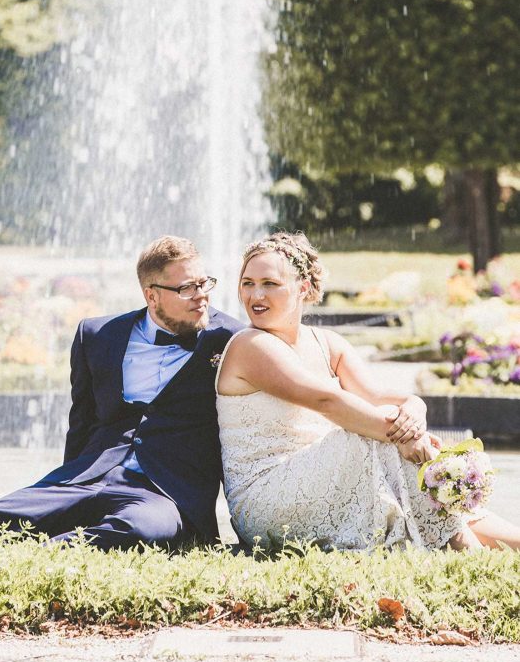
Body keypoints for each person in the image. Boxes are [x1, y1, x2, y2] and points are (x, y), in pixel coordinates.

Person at [0, 236, 242, 556]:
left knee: (142, 531)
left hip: (163, 491)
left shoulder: (232, 340)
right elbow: (81, 423)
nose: (201, 294)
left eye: (204, 282)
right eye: (186, 287)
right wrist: (70, 491)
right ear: (151, 295)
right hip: (89, 475)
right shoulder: (97, 336)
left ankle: (34, 556)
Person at [216, 231, 520, 552]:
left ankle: (493, 544)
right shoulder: (250, 346)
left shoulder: (327, 343)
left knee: (423, 480)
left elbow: (378, 397)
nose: (255, 295)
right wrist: (404, 437)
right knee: (368, 435)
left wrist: (414, 411)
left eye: (269, 284)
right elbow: (328, 401)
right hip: (267, 497)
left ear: (302, 288)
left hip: (328, 479)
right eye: (247, 283)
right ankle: (467, 555)